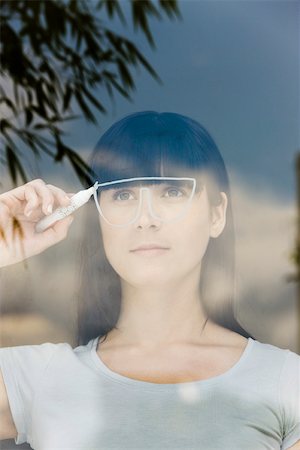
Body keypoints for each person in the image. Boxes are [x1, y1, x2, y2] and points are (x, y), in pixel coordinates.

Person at [0, 111, 299, 450]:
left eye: (172, 191)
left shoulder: (286, 380)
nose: (145, 219)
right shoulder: (39, 377)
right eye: (123, 195)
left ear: (217, 214)